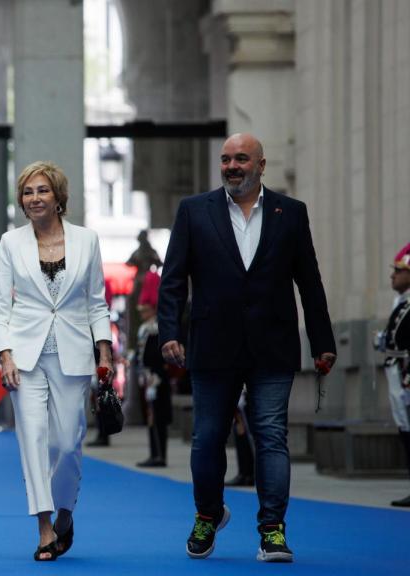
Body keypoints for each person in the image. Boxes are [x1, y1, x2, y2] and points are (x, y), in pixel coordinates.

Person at [159, 133, 336, 563]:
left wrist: (323, 341)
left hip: (272, 344)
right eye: (225, 159)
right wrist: (169, 333)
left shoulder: (290, 213)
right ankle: (207, 514)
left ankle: (272, 530)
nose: (232, 166)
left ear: (260, 165)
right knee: (206, 439)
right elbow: (173, 279)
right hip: (212, 345)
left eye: (241, 158)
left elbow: (309, 282)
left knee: (271, 436)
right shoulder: (193, 211)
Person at [0, 161, 114, 561]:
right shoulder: (11, 243)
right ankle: (44, 528)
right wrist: (4, 354)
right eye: (28, 192)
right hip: (24, 358)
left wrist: (105, 351)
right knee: (33, 441)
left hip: (74, 355)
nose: (35, 198)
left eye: (42, 190)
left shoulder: (87, 240)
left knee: (67, 441)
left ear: (58, 197)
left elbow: (97, 302)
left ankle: (65, 511)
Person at [377, 242, 410, 507]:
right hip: (397, 373)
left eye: (399, 270)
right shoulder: (401, 302)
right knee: (405, 428)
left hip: (407, 374)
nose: (393, 275)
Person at [136, 271, 172, 468]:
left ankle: (160, 455)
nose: (142, 314)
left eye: (145, 310)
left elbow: (157, 356)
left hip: (157, 379)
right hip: (149, 378)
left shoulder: (157, 329)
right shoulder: (145, 329)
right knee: (151, 417)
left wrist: (154, 375)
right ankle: (154, 453)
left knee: (158, 418)